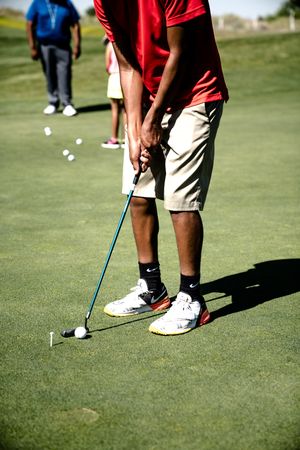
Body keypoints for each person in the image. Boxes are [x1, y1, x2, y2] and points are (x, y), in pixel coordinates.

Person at [94, 0, 229, 335]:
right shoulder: (102, 2)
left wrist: (153, 120)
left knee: (179, 198)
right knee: (138, 191)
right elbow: (127, 67)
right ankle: (152, 287)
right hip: (150, 95)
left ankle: (192, 299)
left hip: (196, 93)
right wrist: (134, 127)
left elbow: (179, 53)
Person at [26, 0, 81, 117]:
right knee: (49, 73)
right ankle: (53, 102)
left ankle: (67, 103)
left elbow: (75, 24)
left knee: (65, 73)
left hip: (63, 45)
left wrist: (77, 45)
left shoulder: (67, 3)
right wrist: (32, 47)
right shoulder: (38, 3)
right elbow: (29, 23)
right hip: (44, 45)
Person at [102, 38, 126, 149]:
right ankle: (127, 139)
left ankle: (114, 139)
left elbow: (107, 66)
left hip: (114, 78)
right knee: (126, 111)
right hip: (126, 79)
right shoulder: (126, 43)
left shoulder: (109, 46)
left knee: (115, 110)